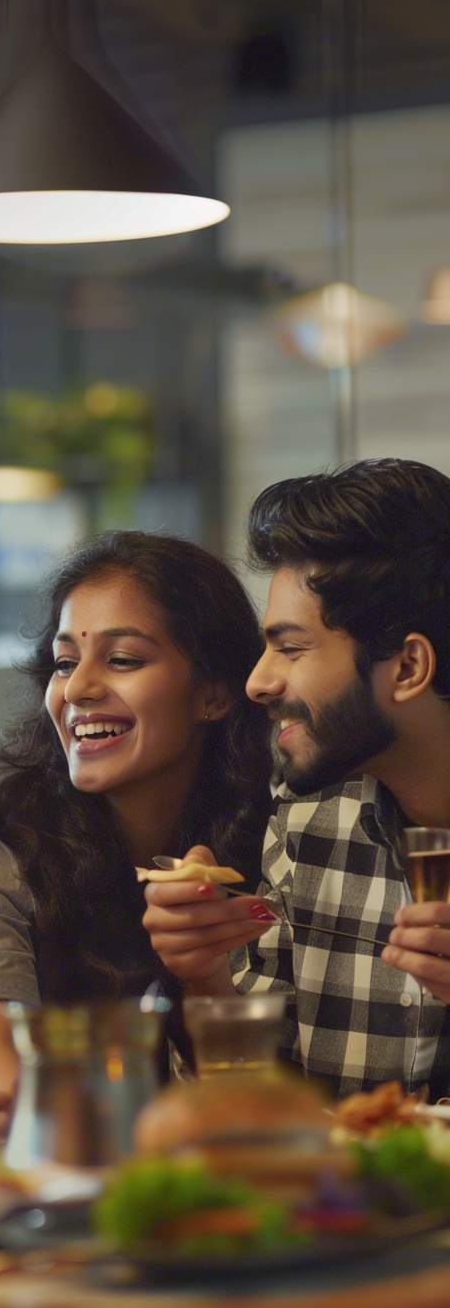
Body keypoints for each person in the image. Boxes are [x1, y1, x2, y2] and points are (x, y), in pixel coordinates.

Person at [0, 530, 273, 1116]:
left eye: (124, 660)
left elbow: (260, 1106)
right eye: (64, 662)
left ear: (214, 695)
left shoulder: (284, 830)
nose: (77, 688)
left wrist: (206, 976)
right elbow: (3, 1083)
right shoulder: (0, 830)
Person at [143, 458, 450, 1100]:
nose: (257, 682)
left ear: (409, 665)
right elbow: (258, 1110)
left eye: (291, 648)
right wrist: (202, 977)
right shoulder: (313, 813)